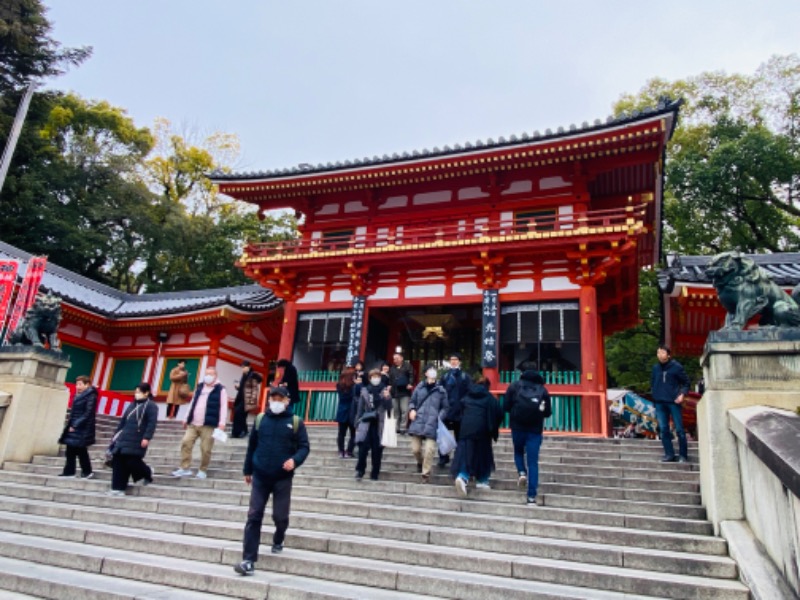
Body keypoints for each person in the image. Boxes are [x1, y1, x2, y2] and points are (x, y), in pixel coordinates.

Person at [234, 386, 310, 575]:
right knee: (254, 515)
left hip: (282, 478)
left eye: (280, 399)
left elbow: (304, 447)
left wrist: (295, 460)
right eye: (273, 398)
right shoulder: (261, 420)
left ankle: (279, 536)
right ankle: (248, 559)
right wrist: (247, 469)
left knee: (280, 516)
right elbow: (252, 446)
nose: (276, 402)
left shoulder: (296, 422)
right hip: (260, 475)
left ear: (287, 401)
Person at [505, 368, 552, 505]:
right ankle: (531, 497)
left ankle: (521, 473)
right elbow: (548, 412)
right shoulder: (542, 390)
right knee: (533, 462)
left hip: (517, 427)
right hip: (535, 430)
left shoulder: (514, 386)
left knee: (518, 452)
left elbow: (506, 406)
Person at [172, 365, 228, 479]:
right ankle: (184, 467)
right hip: (193, 422)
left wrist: (222, 423)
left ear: (215, 376)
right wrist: (186, 418)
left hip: (208, 424)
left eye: (210, 374)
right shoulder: (200, 387)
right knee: (186, 442)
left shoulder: (220, 389)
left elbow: (223, 406)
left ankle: (203, 469)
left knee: (206, 448)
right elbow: (193, 403)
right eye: (206, 374)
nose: (208, 376)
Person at [451, 375, 503, 495]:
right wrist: (493, 428)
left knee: (465, 454)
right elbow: (499, 413)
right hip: (482, 431)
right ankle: (482, 480)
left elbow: (457, 412)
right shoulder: (490, 398)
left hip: (466, 430)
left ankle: (462, 476)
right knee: (483, 455)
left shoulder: (466, 397)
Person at [107, 382, 158, 496]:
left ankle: (147, 472)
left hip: (137, 438)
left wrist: (147, 437)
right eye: (136, 392)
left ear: (146, 393)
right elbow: (123, 421)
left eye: (139, 392)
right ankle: (117, 487)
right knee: (118, 461)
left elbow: (151, 423)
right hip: (123, 437)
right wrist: (115, 436)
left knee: (132, 460)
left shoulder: (151, 406)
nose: (136, 394)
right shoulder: (132, 405)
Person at [407, 364, 448, 483]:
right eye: (430, 370)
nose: (432, 372)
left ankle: (425, 473)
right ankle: (420, 462)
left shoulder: (441, 390)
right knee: (415, 449)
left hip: (432, 423)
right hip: (418, 421)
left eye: (434, 370)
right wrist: (412, 409)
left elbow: (446, 407)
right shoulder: (419, 388)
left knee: (429, 450)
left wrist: (439, 417)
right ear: (425, 373)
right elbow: (412, 401)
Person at [651, 345, 690, 463]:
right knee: (663, 429)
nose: (660, 355)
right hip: (659, 402)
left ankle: (683, 455)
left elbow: (686, 382)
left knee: (679, 429)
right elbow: (653, 383)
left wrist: (682, 394)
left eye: (662, 352)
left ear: (668, 355)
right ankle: (669, 454)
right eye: (658, 353)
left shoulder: (676, 367)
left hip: (673, 401)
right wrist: (654, 395)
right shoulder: (655, 368)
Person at [354, 368, 392, 481]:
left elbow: (389, 409)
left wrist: (387, 397)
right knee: (362, 449)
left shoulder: (384, 390)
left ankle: (375, 473)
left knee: (377, 451)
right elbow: (360, 409)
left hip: (379, 424)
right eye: (373, 377)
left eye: (378, 377)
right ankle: (360, 470)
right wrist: (357, 424)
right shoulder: (365, 391)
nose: (376, 379)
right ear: (370, 378)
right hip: (366, 423)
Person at [59, 375, 97, 479]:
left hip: (82, 427)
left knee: (81, 450)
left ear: (87, 385)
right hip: (74, 425)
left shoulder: (91, 396)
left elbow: (88, 413)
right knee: (70, 450)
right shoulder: (78, 395)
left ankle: (87, 471)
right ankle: (69, 471)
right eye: (77, 384)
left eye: (80, 384)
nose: (78, 386)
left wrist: (76, 424)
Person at [438, 352, 470, 466]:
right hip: (446, 409)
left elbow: (469, 392)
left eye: (455, 359)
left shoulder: (465, 376)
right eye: (451, 359)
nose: (453, 361)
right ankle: (443, 456)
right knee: (443, 435)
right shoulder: (445, 376)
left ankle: (459, 457)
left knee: (459, 436)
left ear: (459, 361)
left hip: (460, 410)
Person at [232, 360, 263, 439]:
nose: (243, 369)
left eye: (244, 367)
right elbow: (242, 387)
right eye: (242, 367)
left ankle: (242, 431)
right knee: (238, 414)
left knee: (239, 413)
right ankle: (236, 432)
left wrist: (252, 374)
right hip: (241, 397)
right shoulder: (243, 375)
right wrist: (238, 387)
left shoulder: (253, 374)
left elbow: (260, 379)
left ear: (248, 367)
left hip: (248, 399)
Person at [388, 352, 414, 435]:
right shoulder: (392, 368)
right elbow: (390, 379)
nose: (395, 360)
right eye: (394, 359)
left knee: (404, 410)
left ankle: (403, 427)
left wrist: (410, 383)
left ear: (401, 358)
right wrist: (389, 386)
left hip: (404, 392)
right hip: (394, 392)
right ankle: (396, 427)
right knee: (395, 411)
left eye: (397, 358)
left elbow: (411, 375)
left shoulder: (407, 366)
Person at [335, 367, 357, 458]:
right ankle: (349, 451)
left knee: (341, 433)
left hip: (342, 410)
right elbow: (354, 396)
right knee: (353, 433)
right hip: (352, 411)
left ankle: (341, 451)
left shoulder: (339, 385)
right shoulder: (353, 386)